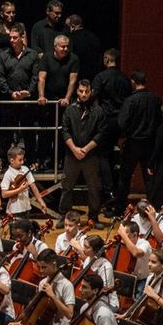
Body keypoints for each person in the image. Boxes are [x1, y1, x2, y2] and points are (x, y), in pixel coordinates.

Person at [58, 80, 106, 225]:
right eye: (81, 91)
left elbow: (101, 133)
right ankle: (64, 216)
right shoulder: (70, 110)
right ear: (77, 91)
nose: (83, 94)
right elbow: (65, 131)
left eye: (86, 91)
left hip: (90, 155)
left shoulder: (98, 111)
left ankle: (93, 217)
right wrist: (74, 149)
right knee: (67, 187)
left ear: (91, 92)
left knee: (94, 188)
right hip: (71, 155)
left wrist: (85, 149)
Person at [116, 70, 161, 210]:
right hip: (150, 144)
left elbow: (121, 123)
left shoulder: (130, 100)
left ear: (133, 82)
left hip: (133, 143)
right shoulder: (156, 99)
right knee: (149, 178)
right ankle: (153, 208)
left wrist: (124, 135)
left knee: (125, 177)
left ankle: (120, 208)